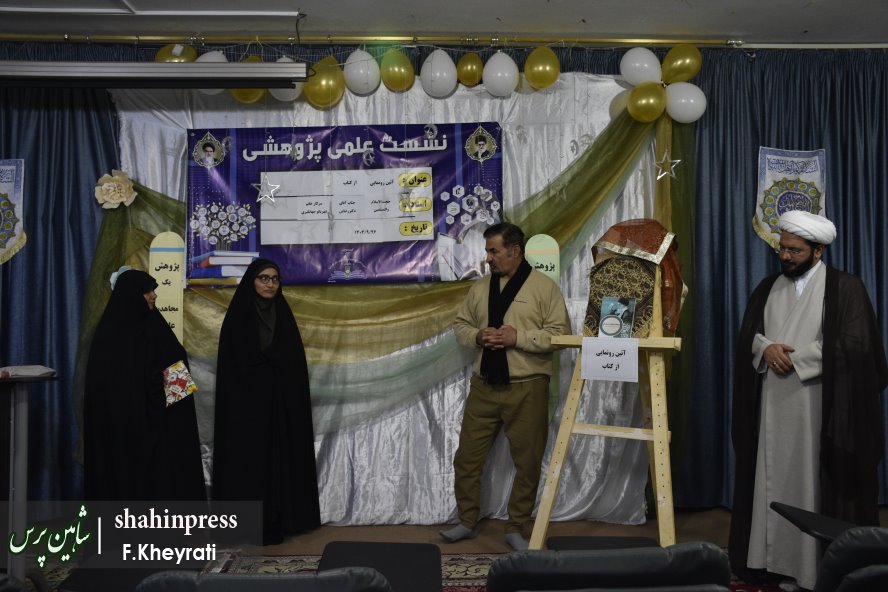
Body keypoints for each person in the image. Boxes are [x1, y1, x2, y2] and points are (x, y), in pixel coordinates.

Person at [729, 210, 888, 590]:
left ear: (818, 251)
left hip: (819, 409)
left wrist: (796, 360)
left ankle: (812, 571)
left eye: (795, 250)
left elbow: (857, 344)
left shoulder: (846, 288)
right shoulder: (767, 287)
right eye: (782, 249)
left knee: (810, 485)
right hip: (772, 406)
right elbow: (750, 334)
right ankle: (769, 563)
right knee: (772, 480)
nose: (785, 256)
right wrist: (765, 349)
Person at [442, 222, 572, 550]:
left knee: (527, 462)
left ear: (515, 251)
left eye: (493, 251)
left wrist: (519, 338)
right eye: (487, 251)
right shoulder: (480, 288)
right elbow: (461, 325)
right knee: (467, 458)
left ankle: (515, 526)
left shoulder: (544, 288)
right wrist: (477, 336)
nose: (488, 258)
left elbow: (560, 335)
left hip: (528, 388)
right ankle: (467, 521)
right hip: (484, 386)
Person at [211, 258, 321, 545]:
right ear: (252, 281)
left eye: (274, 279)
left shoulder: (284, 316)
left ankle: (279, 519)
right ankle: (245, 524)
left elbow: (293, 366)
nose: (270, 284)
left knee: (278, 462)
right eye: (264, 278)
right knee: (249, 464)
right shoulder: (238, 318)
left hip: (279, 408)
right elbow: (232, 367)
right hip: (246, 409)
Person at [84, 268, 205, 501]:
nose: (154, 296)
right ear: (131, 295)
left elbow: (177, 368)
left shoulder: (156, 327)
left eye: (153, 290)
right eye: (147, 291)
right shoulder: (108, 337)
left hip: (162, 426)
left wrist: (158, 394)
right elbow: (106, 389)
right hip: (123, 431)